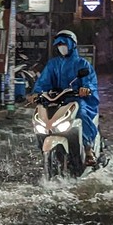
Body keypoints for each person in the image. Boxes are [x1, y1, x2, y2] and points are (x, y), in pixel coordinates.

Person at [27, 30, 99, 165]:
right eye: (59, 44)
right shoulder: (53, 64)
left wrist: (86, 89)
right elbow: (43, 81)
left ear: (72, 45)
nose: (61, 47)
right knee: (41, 116)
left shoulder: (82, 64)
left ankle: (88, 148)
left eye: (64, 43)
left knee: (82, 113)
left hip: (77, 99)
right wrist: (36, 93)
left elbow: (90, 81)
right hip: (57, 100)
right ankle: (43, 148)